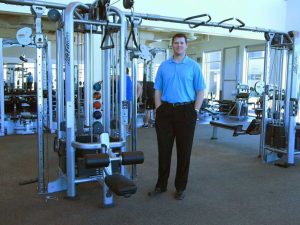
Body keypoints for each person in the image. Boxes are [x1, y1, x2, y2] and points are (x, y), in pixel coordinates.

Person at [149, 33, 206, 200]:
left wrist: (195, 111)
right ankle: (161, 185)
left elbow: (200, 91)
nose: (179, 45)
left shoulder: (194, 66)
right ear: (171, 45)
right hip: (165, 112)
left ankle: (180, 187)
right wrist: (158, 108)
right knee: (164, 151)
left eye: (181, 43)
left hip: (186, 112)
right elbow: (157, 89)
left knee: (184, 152)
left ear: (186, 45)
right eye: (176, 43)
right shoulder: (164, 66)